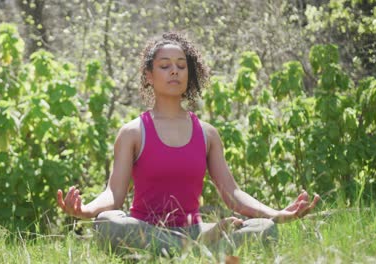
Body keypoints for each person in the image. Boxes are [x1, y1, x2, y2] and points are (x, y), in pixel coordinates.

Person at [56, 32, 320, 256]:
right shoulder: (133, 132)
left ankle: (185, 246)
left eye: (182, 66)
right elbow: (114, 195)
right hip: (144, 228)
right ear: (149, 75)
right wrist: (86, 210)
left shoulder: (207, 134)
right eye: (165, 65)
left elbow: (233, 194)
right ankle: (195, 248)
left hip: (194, 228)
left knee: (266, 229)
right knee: (108, 223)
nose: (174, 71)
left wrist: (276, 213)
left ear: (189, 73)